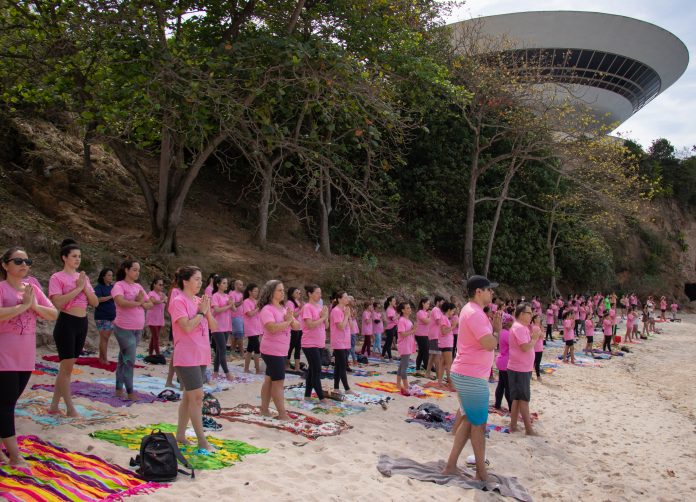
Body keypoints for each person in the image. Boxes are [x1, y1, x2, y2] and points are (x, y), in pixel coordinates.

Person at [0, 247, 58, 466]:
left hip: (25, 354)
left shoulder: (32, 288)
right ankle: (15, 455)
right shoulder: (2, 288)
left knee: (8, 403)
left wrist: (32, 304)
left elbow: (53, 313)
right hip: (4, 353)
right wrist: (22, 306)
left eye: (28, 261)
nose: (24, 265)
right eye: (18, 261)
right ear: (5, 265)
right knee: (5, 405)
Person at [443, 275, 502, 481]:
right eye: (489, 289)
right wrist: (497, 331)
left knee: (469, 421)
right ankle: (481, 472)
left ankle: (451, 465)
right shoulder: (474, 314)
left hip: (470, 373)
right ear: (479, 291)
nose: (492, 293)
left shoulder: (474, 312)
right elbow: (489, 343)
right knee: (479, 425)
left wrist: (494, 331)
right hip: (471, 375)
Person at [48, 239, 99, 417]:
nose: (77, 259)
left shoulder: (82, 278)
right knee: (67, 368)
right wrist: (78, 289)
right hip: (66, 322)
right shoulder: (57, 277)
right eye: (74, 256)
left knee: (65, 368)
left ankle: (54, 405)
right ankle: (70, 407)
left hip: (82, 322)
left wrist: (84, 287)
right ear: (64, 258)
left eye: (79, 256)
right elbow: (58, 302)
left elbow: (95, 302)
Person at [168, 266, 216, 451]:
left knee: (189, 397)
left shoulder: (199, 301)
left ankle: (180, 434)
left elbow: (214, 326)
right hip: (186, 355)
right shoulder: (178, 301)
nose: (199, 283)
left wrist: (207, 311)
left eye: (201, 279)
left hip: (202, 353)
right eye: (196, 279)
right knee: (197, 397)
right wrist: (201, 312)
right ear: (185, 281)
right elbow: (186, 327)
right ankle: (202, 440)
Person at [258, 280, 300, 420]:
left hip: (281, 350)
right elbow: (272, 328)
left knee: (270, 380)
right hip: (271, 350)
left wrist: (291, 320)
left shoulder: (283, 309)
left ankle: (264, 409)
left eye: (283, 290)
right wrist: (288, 321)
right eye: (279, 290)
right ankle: (282, 414)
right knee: (278, 382)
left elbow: (297, 326)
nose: (283, 293)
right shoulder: (267, 309)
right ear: (271, 293)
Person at [112, 260, 152, 400]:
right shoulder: (119, 285)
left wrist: (142, 303)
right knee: (129, 360)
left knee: (123, 359)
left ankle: (118, 389)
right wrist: (139, 302)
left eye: (138, 270)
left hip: (137, 329)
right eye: (134, 270)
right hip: (123, 328)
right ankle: (130, 392)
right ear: (126, 270)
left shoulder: (138, 286)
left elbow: (150, 304)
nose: (137, 273)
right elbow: (120, 302)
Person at [507, 303, 540, 435]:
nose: (531, 315)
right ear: (521, 314)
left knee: (517, 398)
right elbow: (525, 347)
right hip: (519, 368)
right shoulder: (519, 327)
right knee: (523, 399)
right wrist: (534, 339)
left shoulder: (522, 327)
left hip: (521, 367)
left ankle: (513, 425)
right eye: (529, 313)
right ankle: (528, 429)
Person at [301, 285, 329, 401]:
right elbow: (310, 325)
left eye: (320, 293)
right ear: (310, 294)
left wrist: (326, 317)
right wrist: (323, 318)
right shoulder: (307, 307)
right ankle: (321, 398)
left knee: (313, 370)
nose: (319, 295)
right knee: (317, 369)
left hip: (319, 343)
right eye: (317, 293)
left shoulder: (319, 307)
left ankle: (307, 395)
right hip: (309, 343)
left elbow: (326, 326)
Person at [211, 276, 234, 381]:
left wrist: (231, 304)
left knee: (219, 351)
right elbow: (217, 310)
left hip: (226, 326)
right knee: (223, 350)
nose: (226, 285)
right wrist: (229, 306)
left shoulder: (227, 296)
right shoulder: (215, 296)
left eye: (226, 283)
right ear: (218, 285)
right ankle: (227, 372)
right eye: (224, 283)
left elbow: (234, 309)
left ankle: (215, 372)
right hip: (217, 326)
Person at [330, 291, 354, 394]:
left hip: (345, 341)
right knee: (343, 365)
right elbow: (340, 326)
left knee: (339, 365)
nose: (347, 299)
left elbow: (352, 327)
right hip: (338, 341)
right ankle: (347, 389)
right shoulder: (336, 311)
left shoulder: (345, 310)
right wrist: (346, 315)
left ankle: (336, 387)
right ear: (339, 299)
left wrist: (348, 315)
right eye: (345, 297)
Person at [94, 268, 116, 364]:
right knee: (104, 338)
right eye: (109, 275)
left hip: (111, 316)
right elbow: (97, 299)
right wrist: (111, 296)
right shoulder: (99, 287)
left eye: (111, 275)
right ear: (103, 276)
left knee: (105, 338)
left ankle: (101, 358)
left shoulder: (112, 287)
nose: (111, 277)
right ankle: (104, 359)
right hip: (102, 316)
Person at [395, 302, 416, 396]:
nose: (409, 309)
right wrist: (413, 330)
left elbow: (410, 332)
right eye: (407, 308)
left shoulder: (408, 320)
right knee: (405, 366)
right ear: (403, 310)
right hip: (404, 345)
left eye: (409, 307)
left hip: (408, 344)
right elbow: (402, 333)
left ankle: (398, 384)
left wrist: (413, 329)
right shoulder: (402, 320)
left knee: (402, 365)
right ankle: (406, 386)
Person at [494, 313, 513, 410]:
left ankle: (497, 404)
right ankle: (511, 407)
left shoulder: (503, 332)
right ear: (508, 322)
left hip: (502, 360)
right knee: (508, 386)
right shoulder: (506, 333)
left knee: (501, 385)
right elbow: (514, 344)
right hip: (506, 362)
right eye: (511, 320)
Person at [242, 283, 262, 374]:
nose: (256, 293)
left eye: (257, 291)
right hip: (250, 328)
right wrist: (257, 308)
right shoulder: (246, 301)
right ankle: (257, 369)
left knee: (250, 348)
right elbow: (249, 314)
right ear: (249, 292)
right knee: (257, 348)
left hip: (257, 327)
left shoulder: (256, 301)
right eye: (255, 291)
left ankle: (246, 368)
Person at [146, 277, 167, 356]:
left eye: (162, 285)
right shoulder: (151, 293)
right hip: (152, 318)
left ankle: (150, 354)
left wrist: (164, 299)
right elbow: (153, 301)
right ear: (154, 285)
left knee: (153, 337)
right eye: (160, 285)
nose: (161, 286)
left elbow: (167, 300)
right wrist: (162, 300)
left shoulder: (162, 294)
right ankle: (158, 354)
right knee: (156, 337)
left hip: (159, 318)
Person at [425, 295, 444, 380]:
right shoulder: (436, 310)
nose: (443, 303)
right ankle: (438, 375)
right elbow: (438, 321)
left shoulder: (438, 310)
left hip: (434, 334)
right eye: (442, 302)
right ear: (438, 302)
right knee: (437, 355)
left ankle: (427, 373)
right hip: (435, 335)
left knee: (433, 355)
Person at [438, 302, 456, 390]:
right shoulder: (444, 318)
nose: (453, 313)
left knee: (443, 363)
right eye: (453, 311)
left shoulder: (444, 318)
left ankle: (440, 382)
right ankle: (451, 384)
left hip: (446, 343)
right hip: (446, 343)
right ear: (449, 310)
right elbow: (444, 331)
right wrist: (453, 326)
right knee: (449, 364)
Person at [285, 287, 303, 371]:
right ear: (291, 293)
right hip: (293, 328)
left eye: (299, 293)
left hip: (300, 328)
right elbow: (292, 316)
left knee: (298, 347)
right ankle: (286, 365)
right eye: (297, 292)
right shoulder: (289, 302)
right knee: (290, 347)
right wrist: (301, 309)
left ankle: (297, 367)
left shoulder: (298, 302)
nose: (299, 294)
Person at [229, 279, 245, 356]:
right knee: (239, 335)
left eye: (242, 285)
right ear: (236, 285)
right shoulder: (232, 293)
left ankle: (232, 351)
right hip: (235, 316)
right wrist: (241, 302)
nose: (242, 286)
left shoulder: (241, 294)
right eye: (240, 285)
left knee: (235, 335)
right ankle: (242, 353)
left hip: (241, 317)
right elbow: (232, 305)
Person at [414, 298, 431, 371]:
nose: (428, 305)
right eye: (427, 303)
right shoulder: (420, 312)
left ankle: (418, 367)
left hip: (425, 334)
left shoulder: (426, 313)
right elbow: (426, 321)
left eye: (429, 304)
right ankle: (426, 367)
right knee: (425, 352)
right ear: (423, 303)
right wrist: (431, 316)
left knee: (421, 352)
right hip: (420, 334)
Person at [531, 314, 544, 382]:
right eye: (538, 318)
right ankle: (538, 376)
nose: (539, 318)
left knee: (533, 362)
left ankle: (530, 375)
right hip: (538, 347)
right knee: (537, 363)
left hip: (535, 346)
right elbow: (542, 337)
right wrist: (542, 330)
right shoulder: (536, 327)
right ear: (535, 320)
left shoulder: (534, 327)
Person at [348, 296, 359, 367]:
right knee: (351, 346)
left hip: (353, 329)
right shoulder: (348, 309)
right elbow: (351, 317)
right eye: (352, 300)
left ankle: (352, 360)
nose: (354, 302)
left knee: (352, 346)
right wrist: (354, 314)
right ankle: (354, 360)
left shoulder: (352, 308)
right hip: (350, 330)